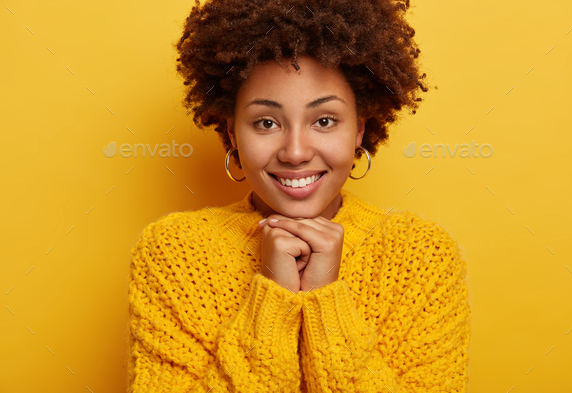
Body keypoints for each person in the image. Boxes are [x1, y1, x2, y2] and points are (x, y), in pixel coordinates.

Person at [126, 0, 471, 392]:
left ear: (358, 129)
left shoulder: (420, 257)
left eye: (324, 121)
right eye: (266, 122)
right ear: (233, 131)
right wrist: (274, 300)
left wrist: (326, 300)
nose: (294, 152)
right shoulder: (175, 253)